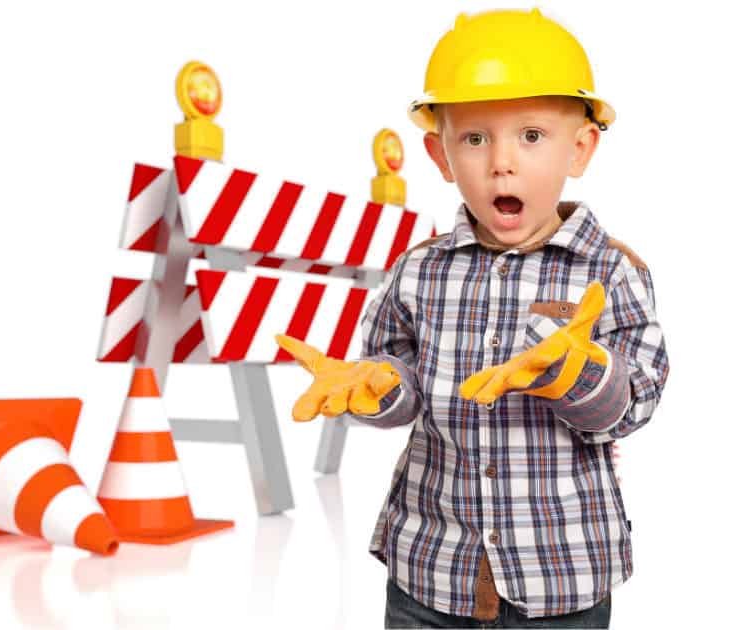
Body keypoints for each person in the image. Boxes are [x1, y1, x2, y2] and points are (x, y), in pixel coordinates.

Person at [276, 8, 669, 628]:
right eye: (475, 138)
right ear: (439, 154)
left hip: (560, 571)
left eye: (531, 135)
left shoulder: (610, 271)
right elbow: (400, 380)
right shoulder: (419, 271)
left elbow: (636, 402)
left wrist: (576, 373)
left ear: (581, 148)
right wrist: (379, 387)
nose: (501, 162)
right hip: (432, 566)